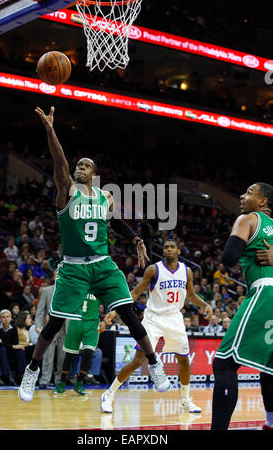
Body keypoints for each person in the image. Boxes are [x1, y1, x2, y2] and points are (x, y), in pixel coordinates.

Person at [18, 106, 169, 402]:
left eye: (86, 166)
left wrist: (136, 238)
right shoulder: (67, 192)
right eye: (79, 165)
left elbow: (115, 222)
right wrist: (50, 130)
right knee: (55, 323)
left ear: (95, 174)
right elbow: (59, 161)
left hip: (102, 264)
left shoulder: (105, 197)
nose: (80, 167)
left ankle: (154, 363)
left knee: (128, 312)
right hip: (73, 267)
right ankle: (32, 370)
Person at [101, 240, 212, 413]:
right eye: (166, 247)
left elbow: (191, 295)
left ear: (178, 250)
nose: (168, 249)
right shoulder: (153, 269)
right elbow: (137, 292)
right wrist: (116, 309)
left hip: (175, 319)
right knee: (138, 360)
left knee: (183, 361)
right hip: (153, 319)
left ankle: (185, 400)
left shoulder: (187, 271)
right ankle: (109, 394)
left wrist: (205, 305)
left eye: (172, 247)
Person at [211, 182, 273, 431]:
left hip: (265, 292)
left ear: (262, 202)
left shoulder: (247, 219)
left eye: (248, 192)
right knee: (268, 367)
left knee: (224, 363)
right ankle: (269, 423)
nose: (241, 194)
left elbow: (229, 258)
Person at [53, 292, 114, 396]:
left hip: (92, 323)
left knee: (89, 352)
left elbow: (110, 304)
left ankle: (79, 383)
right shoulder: (78, 283)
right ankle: (62, 383)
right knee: (69, 354)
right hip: (76, 321)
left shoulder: (98, 286)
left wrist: (104, 320)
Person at [34, 281, 66, 390]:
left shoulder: (70, 289)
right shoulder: (47, 290)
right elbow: (40, 310)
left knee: (63, 356)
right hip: (51, 325)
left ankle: (59, 381)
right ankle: (44, 380)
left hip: (66, 326)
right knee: (48, 355)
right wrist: (38, 325)